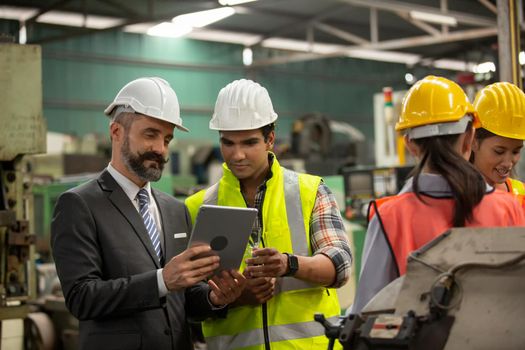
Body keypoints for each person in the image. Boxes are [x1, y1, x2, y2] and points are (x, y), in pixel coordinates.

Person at [51, 77, 245, 350]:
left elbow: (185, 298)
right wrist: (161, 281)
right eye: (150, 134)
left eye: (167, 139)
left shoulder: (176, 210)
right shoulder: (79, 205)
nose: (160, 149)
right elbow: (81, 297)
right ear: (116, 131)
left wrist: (215, 297)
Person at [185, 79, 352, 349]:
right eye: (228, 143)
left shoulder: (310, 191)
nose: (237, 155)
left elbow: (340, 265)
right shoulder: (197, 206)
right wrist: (237, 297)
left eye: (249, 143)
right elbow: (185, 300)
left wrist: (289, 265)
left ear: (270, 139)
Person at [351, 76, 525, 314]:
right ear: (469, 139)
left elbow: (368, 313)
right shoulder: (506, 207)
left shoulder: (387, 217)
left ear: (410, 144)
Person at [470, 82, 525, 205]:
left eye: (516, 151)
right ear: (473, 140)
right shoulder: (456, 197)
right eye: (499, 151)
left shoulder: (521, 195)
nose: (508, 163)